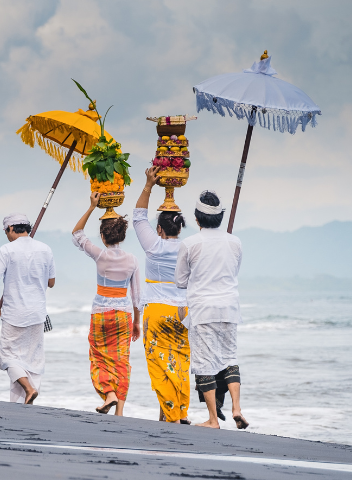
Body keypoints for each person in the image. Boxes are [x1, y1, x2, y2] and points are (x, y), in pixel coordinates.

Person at [175, 190, 247, 430]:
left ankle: (213, 420)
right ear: (220, 217)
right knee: (229, 358)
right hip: (229, 307)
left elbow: (180, 281)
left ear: (197, 218)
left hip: (203, 309)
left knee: (205, 364)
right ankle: (237, 408)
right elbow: (234, 272)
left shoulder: (190, 243)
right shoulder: (234, 242)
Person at [72, 192, 141, 416]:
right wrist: (137, 323)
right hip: (123, 314)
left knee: (98, 355)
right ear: (122, 236)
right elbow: (137, 297)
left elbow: (77, 234)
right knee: (121, 361)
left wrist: (92, 207)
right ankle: (119, 410)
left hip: (101, 314)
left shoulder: (100, 255)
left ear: (103, 236)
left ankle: (108, 392)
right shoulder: (132, 259)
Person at [133, 167, 191, 424]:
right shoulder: (191, 248)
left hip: (157, 310)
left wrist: (148, 185)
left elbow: (137, 217)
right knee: (180, 362)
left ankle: (172, 415)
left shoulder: (154, 246)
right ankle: (178, 412)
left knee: (158, 364)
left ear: (159, 229)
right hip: (184, 311)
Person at [0, 213, 57, 404]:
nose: (7, 236)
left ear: (10, 229)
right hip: (37, 314)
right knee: (33, 359)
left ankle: (28, 388)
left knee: (7, 355)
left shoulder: (6, 250)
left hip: (14, 313)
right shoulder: (45, 249)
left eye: (6, 232)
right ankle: (26, 400)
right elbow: (51, 282)